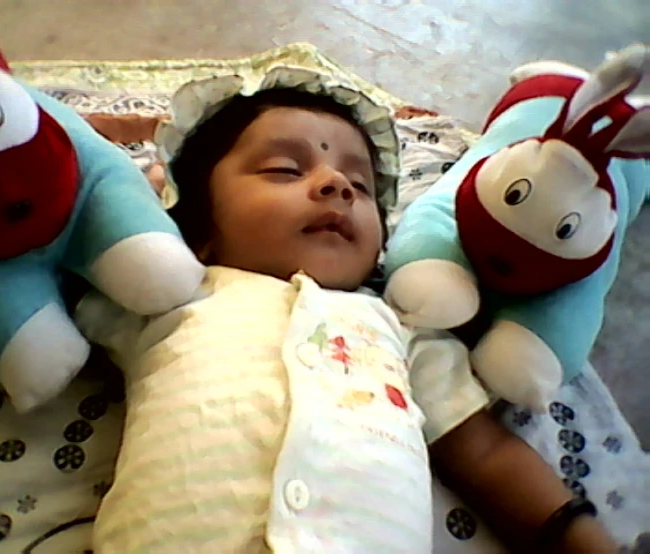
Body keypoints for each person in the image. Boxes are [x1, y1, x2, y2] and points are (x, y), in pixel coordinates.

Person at [75, 68, 618, 553]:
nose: (336, 185)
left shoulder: (401, 330)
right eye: (285, 169)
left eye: (360, 186)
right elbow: (62, 255)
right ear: (197, 229)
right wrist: (141, 208)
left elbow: (487, 457)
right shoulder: (171, 293)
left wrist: (578, 536)